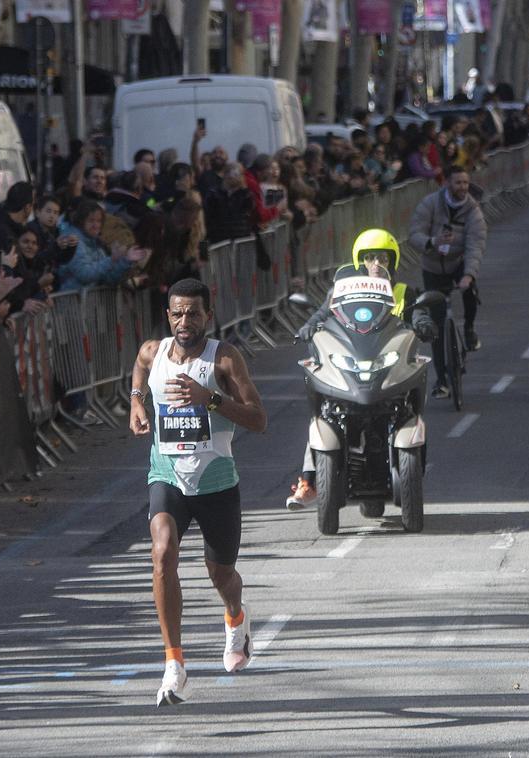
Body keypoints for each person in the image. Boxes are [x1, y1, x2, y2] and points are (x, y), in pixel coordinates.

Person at [128, 278, 267, 707]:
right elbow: (138, 367)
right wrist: (136, 401)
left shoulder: (224, 359)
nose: (184, 321)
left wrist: (210, 400)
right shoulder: (154, 352)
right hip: (167, 475)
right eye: (177, 313)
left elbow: (258, 419)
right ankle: (174, 665)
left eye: (193, 313)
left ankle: (236, 617)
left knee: (220, 574)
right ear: (168, 315)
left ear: (209, 314)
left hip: (216, 482)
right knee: (163, 551)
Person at [286, 229, 437, 509]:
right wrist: (307, 327)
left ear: (392, 260)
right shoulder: (341, 293)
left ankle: (410, 459)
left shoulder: (403, 292)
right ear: (360, 261)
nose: (376, 263)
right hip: (351, 367)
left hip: (390, 368)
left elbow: (418, 312)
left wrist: (423, 322)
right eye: (369, 258)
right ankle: (309, 480)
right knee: (325, 416)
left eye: (382, 257)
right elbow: (322, 314)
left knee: (406, 410)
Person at [406, 166, 487, 398]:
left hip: (458, 263)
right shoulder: (430, 204)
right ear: (447, 184)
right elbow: (414, 234)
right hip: (433, 268)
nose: (462, 187)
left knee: (470, 291)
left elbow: (476, 245)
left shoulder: (474, 211)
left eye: (465, 182)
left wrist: (468, 275)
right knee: (436, 326)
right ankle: (441, 380)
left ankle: (470, 330)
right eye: (457, 182)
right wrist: (432, 241)